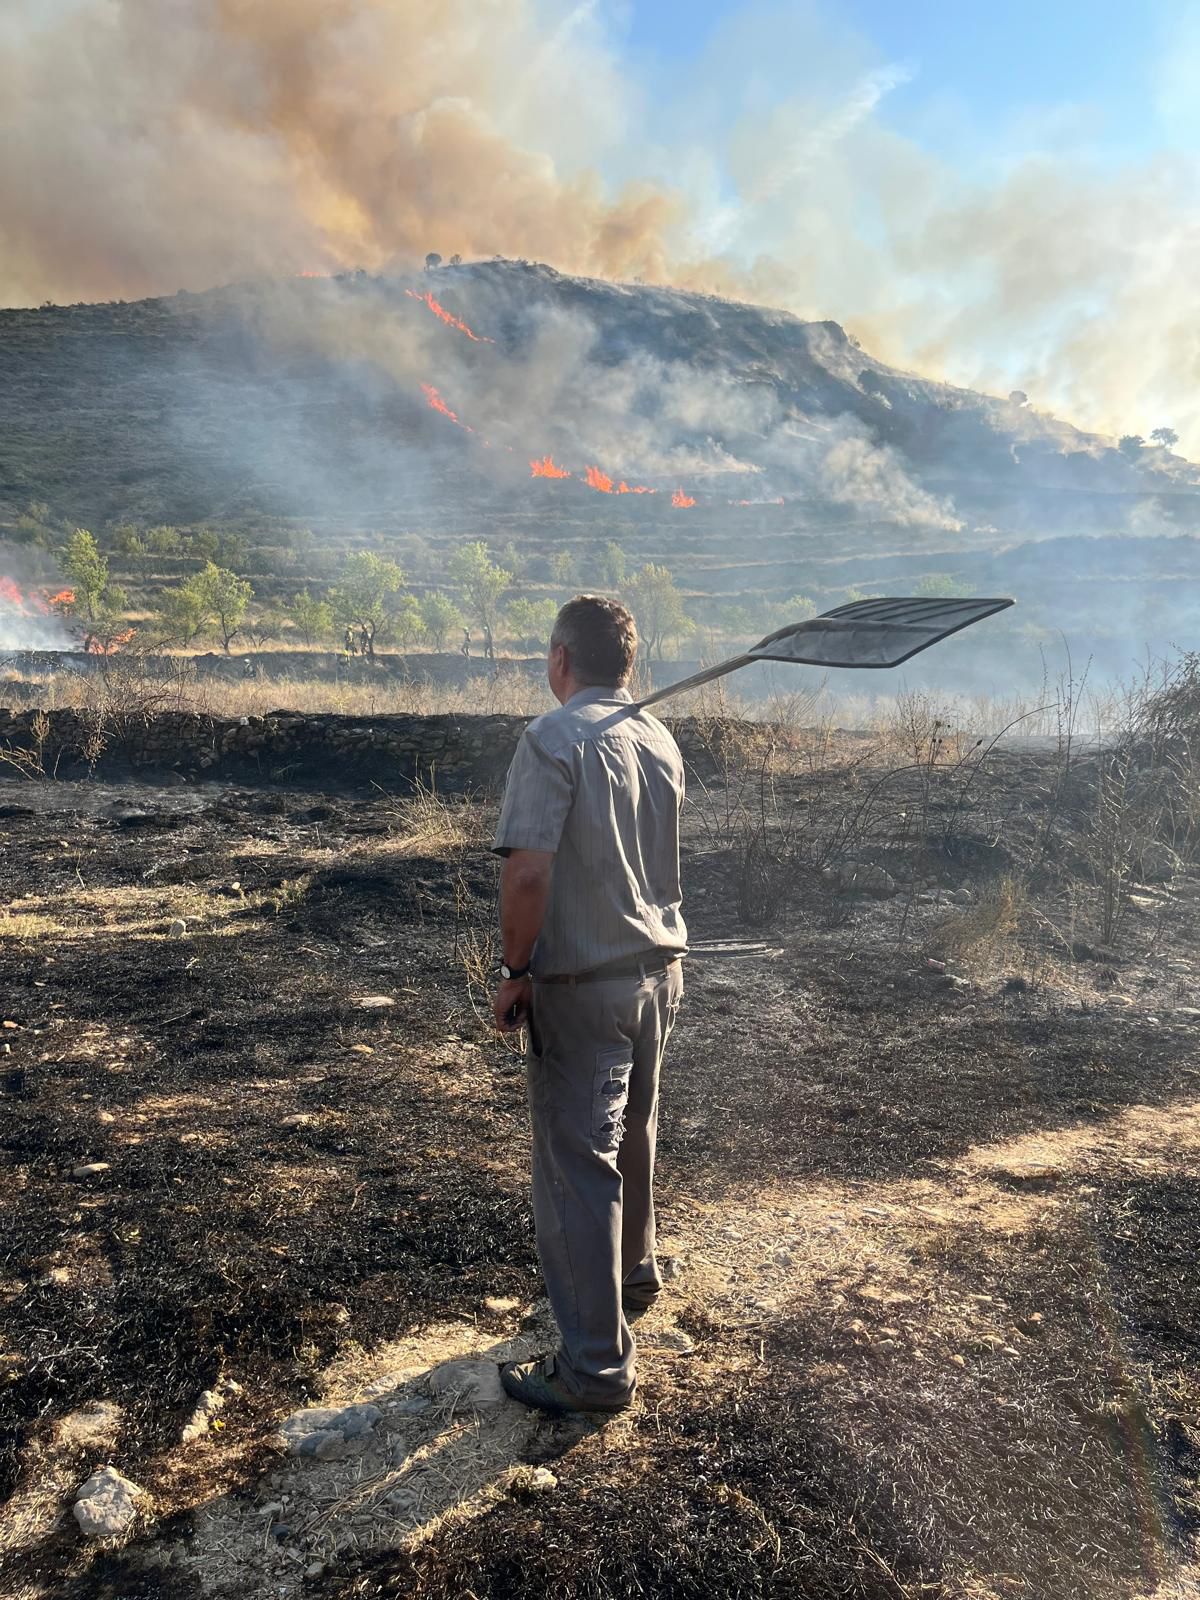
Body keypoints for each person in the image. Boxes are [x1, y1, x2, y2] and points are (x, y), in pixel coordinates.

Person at [492, 595, 686, 1413]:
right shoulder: (658, 737)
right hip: (659, 974)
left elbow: (528, 873)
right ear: (628, 664)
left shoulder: (551, 739)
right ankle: (634, 1274)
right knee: (632, 1130)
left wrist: (514, 969)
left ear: (561, 659)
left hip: (583, 986)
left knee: (578, 1165)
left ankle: (595, 1369)